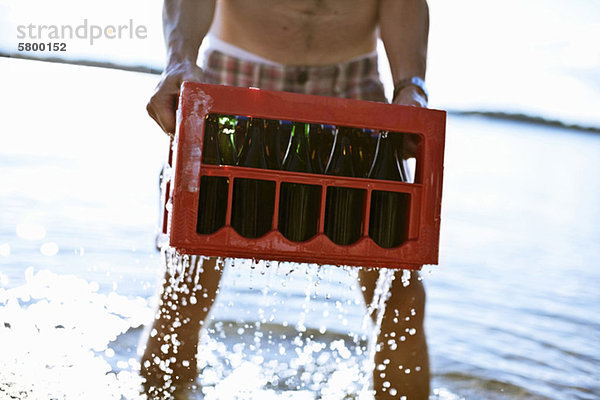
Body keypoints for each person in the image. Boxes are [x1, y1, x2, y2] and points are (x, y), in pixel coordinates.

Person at [143, 0, 430, 399]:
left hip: (354, 87)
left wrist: (410, 85)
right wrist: (179, 61)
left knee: (400, 293)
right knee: (186, 285)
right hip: (234, 82)